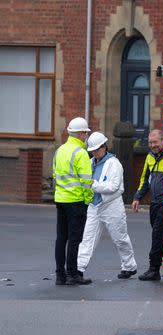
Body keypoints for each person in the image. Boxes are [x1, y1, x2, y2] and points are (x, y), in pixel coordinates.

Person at [77, 132, 138, 278]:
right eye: (92, 150)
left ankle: (129, 266)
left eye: (97, 149)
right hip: (94, 205)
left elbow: (113, 186)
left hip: (111, 205)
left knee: (120, 238)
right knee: (87, 238)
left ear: (104, 147)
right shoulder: (91, 162)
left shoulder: (114, 163)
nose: (94, 152)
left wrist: (93, 185)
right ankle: (78, 268)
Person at [53, 117, 94, 286]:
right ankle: (72, 274)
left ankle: (60, 275)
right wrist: (87, 199)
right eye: (85, 132)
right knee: (74, 239)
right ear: (80, 133)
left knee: (61, 238)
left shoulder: (60, 150)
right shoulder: (80, 153)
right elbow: (86, 181)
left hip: (60, 199)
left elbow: (55, 176)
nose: (86, 136)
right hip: (76, 201)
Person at [132, 129, 163, 281]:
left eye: (155, 142)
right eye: (150, 143)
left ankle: (154, 269)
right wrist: (137, 197)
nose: (153, 145)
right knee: (157, 235)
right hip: (154, 203)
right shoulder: (149, 157)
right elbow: (144, 180)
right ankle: (157, 268)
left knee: (158, 235)